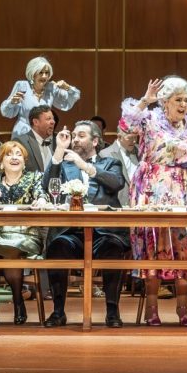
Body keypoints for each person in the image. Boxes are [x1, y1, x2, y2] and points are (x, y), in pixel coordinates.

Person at [121, 76, 187, 326]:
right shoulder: (150, 119)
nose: (184, 105)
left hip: (183, 189)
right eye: (179, 100)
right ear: (165, 101)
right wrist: (144, 101)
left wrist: (175, 152)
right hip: (152, 189)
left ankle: (183, 308)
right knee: (153, 247)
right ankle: (152, 309)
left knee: (184, 247)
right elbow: (125, 126)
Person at [42, 120, 129, 328]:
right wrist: (59, 151)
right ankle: (58, 312)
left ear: (95, 141)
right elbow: (48, 186)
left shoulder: (111, 163)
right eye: (74, 136)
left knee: (113, 249)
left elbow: (116, 183)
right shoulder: (64, 165)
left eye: (81, 136)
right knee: (57, 247)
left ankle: (112, 312)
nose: (75, 139)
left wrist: (86, 167)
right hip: (71, 232)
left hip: (104, 232)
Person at [0, 140, 48, 325]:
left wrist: (42, 200)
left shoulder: (35, 177)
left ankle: (18, 301)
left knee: (10, 249)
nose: (14, 158)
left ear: (24, 162)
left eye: (19, 154)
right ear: (1, 162)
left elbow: (42, 194)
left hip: (27, 234)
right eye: (9, 154)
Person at [0, 56, 81, 137]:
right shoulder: (22, 85)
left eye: (47, 73)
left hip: (43, 134)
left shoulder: (51, 88)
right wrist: (12, 102)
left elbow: (73, 98)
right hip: (23, 133)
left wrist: (67, 87)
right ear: (33, 73)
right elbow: (6, 112)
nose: (44, 76)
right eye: (41, 73)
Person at [99, 126, 139, 206]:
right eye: (130, 138)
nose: (134, 141)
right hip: (119, 204)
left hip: (140, 204)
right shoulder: (106, 154)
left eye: (135, 137)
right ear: (119, 137)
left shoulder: (141, 151)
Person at [15, 106, 57, 173]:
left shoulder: (57, 141)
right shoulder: (21, 142)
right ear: (35, 122)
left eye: (53, 119)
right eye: (48, 119)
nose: (53, 122)